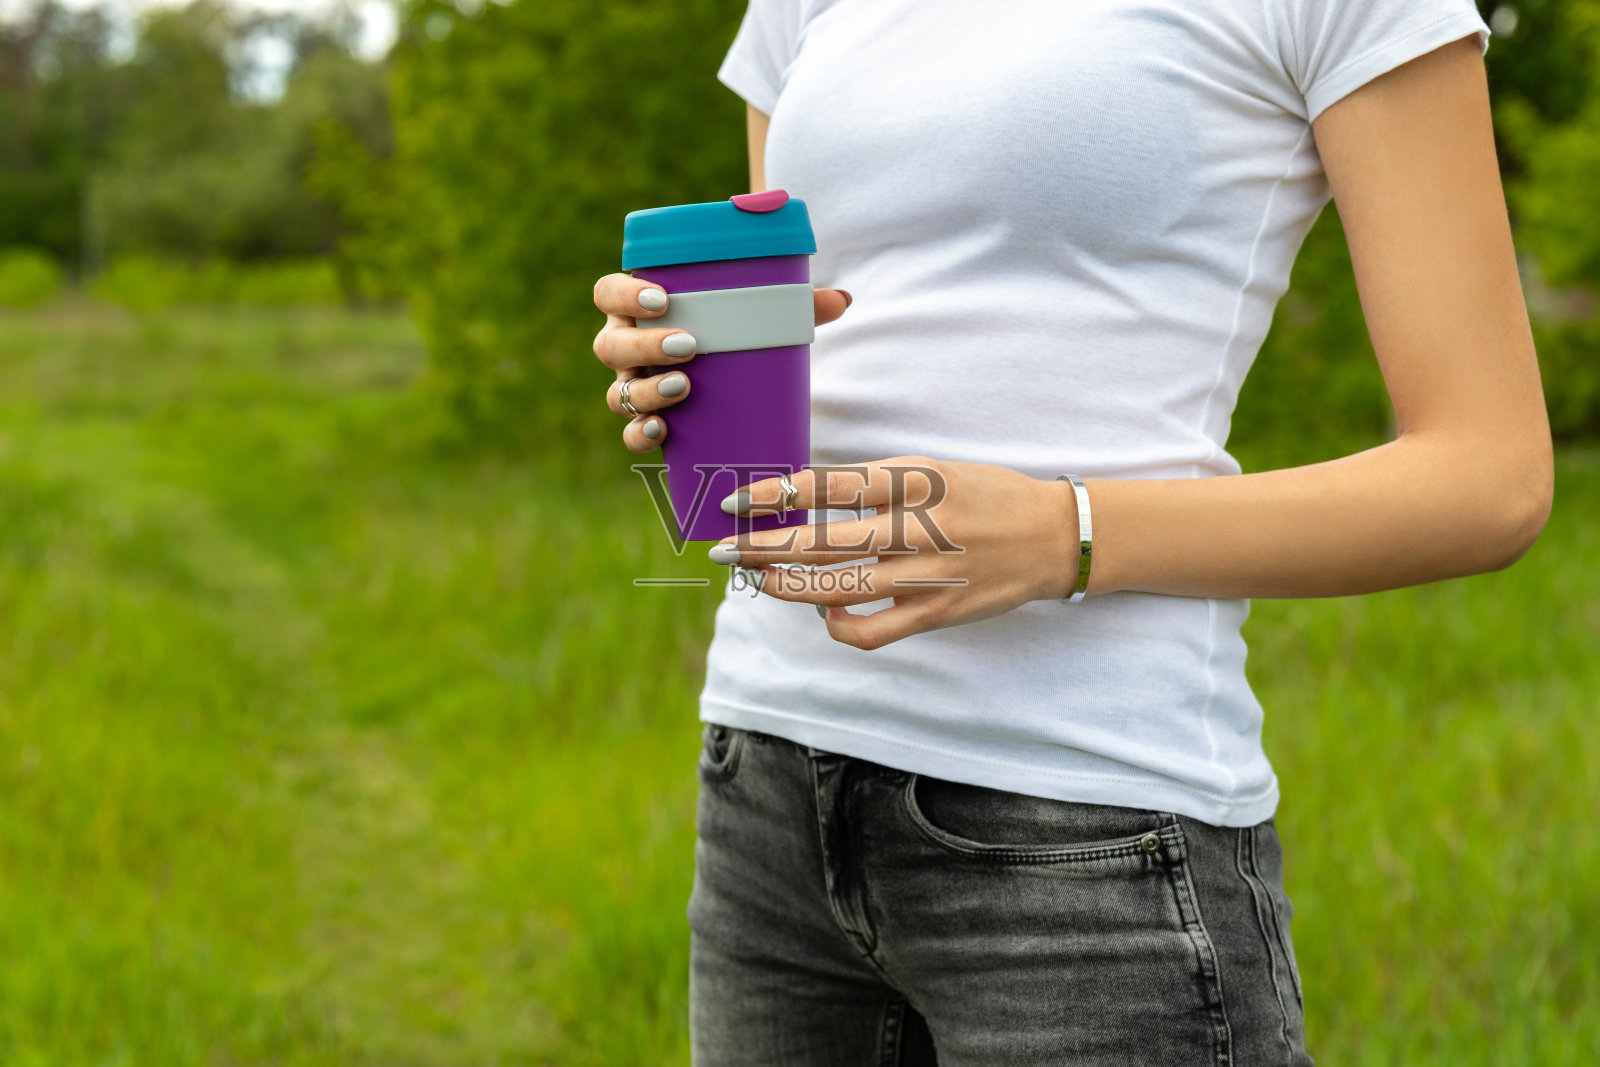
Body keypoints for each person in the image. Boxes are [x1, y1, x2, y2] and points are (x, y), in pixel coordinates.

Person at [591, 0, 1552, 1062]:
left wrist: (1067, 530)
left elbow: (1490, 477)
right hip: (765, 777)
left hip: (1087, 823)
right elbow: (825, 315)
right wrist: (687, 356)